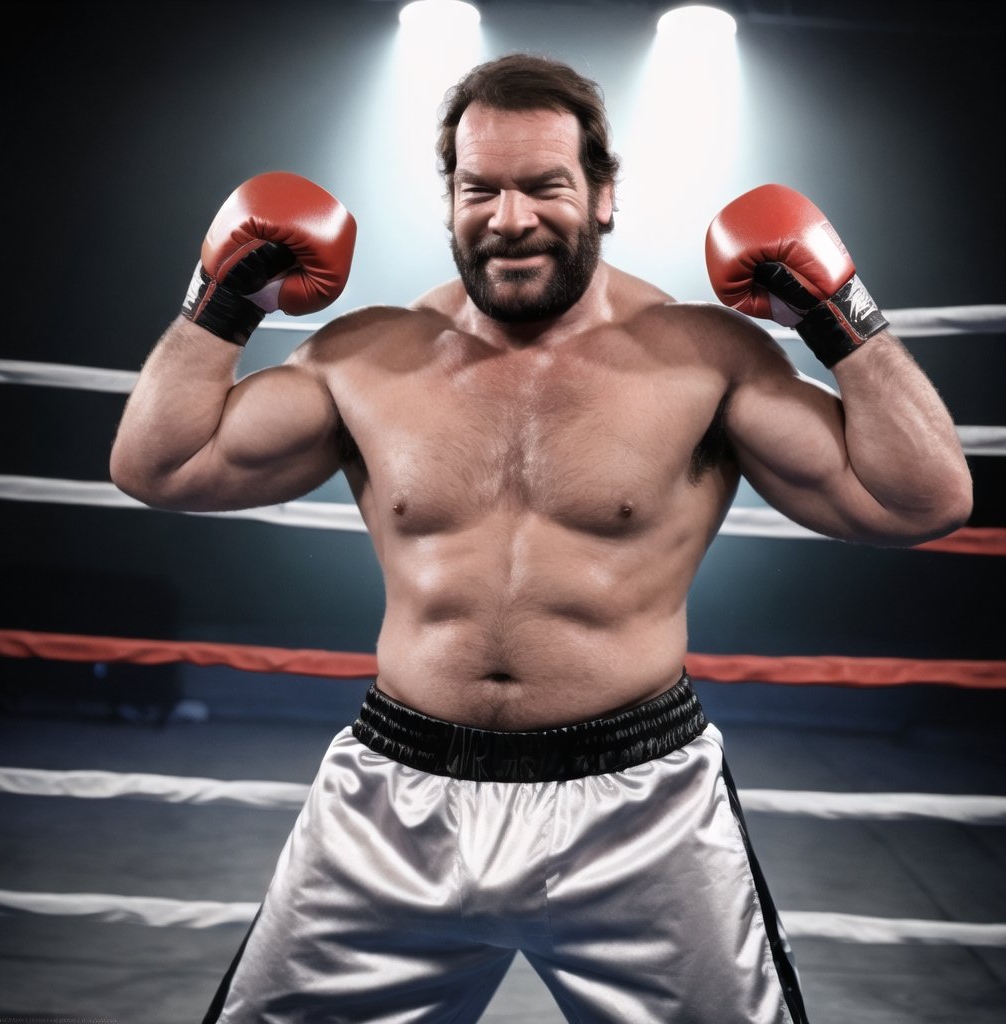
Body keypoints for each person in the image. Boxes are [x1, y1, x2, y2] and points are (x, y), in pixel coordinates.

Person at [110, 53, 971, 1024]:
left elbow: (921, 499)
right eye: (480, 188)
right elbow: (159, 466)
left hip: (639, 809)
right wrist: (218, 305)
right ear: (449, 201)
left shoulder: (703, 358)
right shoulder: (365, 356)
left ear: (604, 196)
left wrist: (838, 315)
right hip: (395, 803)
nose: (509, 217)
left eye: (543, 185)